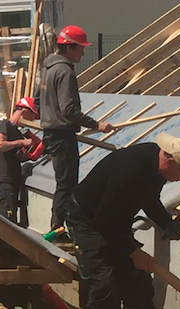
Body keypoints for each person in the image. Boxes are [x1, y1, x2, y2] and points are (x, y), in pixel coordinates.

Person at [65, 133, 180, 309]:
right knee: (104, 284)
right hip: (87, 219)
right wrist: (134, 253)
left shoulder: (159, 167)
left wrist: (167, 224)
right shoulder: (131, 169)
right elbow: (103, 222)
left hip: (114, 223)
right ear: (170, 163)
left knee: (139, 283)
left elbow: (149, 199)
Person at [38, 25, 115, 234]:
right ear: (70, 48)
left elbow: (38, 100)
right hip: (62, 136)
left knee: (63, 182)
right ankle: (58, 228)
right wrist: (96, 125)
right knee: (67, 184)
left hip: (51, 134)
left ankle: (60, 226)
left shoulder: (48, 69)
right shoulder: (64, 71)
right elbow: (68, 109)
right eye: (81, 48)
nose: (83, 52)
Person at [0, 97, 43, 225]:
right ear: (23, 111)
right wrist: (21, 142)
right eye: (31, 117)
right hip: (4, 181)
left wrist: (38, 149)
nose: (31, 121)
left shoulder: (18, 133)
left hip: (13, 182)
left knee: (12, 222)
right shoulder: (4, 125)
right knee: (7, 223)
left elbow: (21, 157)